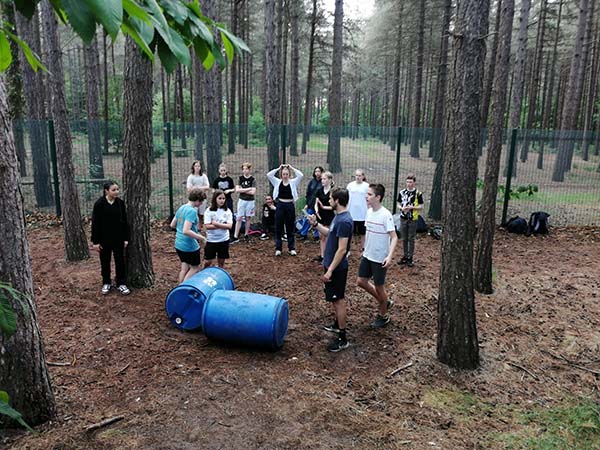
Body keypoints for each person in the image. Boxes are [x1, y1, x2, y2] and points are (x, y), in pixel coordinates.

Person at [308, 187, 353, 352]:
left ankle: (343, 338)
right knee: (335, 299)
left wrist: (330, 270)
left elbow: (342, 249)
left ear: (338, 201)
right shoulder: (338, 218)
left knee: (338, 300)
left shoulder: (344, 221)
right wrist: (316, 225)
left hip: (337, 268)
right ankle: (336, 324)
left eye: (331, 199)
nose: (328, 201)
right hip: (331, 265)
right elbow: (330, 233)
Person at [357, 183, 397, 328]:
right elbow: (368, 233)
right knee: (361, 281)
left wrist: (389, 256)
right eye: (366, 194)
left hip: (380, 258)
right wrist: (364, 248)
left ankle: (383, 315)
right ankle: (384, 301)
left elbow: (394, 237)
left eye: (369, 194)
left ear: (378, 197)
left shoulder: (386, 215)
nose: (366, 197)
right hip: (368, 254)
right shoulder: (368, 212)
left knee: (380, 287)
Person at [91, 181, 131, 295]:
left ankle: (121, 283)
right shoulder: (99, 204)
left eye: (117, 189)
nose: (116, 192)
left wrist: (126, 238)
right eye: (113, 190)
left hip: (118, 238)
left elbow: (124, 221)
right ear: (106, 191)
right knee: (105, 261)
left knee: (120, 261)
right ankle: (106, 282)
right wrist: (95, 241)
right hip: (104, 239)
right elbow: (95, 223)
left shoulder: (120, 203)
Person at [170, 189, 208, 283]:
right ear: (197, 200)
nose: (202, 203)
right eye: (201, 201)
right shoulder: (192, 211)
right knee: (195, 268)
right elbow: (186, 231)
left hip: (178, 243)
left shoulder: (182, 208)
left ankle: (179, 288)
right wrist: (202, 238)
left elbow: (172, 225)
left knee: (184, 267)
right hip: (189, 245)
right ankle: (183, 288)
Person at [267, 163, 304, 256]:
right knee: (278, 226)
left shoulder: (293, 182)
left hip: (290, 205)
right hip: (280, 205)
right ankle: (278, 248)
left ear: (289, 174)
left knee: (290, 227)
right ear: (281, 175)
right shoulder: (277, 182)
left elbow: (301, 175)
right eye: (283, 174)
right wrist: (278, 168)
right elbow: (269, 175)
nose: (285, 176)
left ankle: (291, 248)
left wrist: (291, 167)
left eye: (287, 174)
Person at [396, 173, 424, 267]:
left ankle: (410, 258)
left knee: (411, 238)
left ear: (414, 183)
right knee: (404, 238)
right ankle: (405, 256)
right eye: (407, 182)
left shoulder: (418, 193)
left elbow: (421, 206)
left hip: (413, 218)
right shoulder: (402, 192)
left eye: (411, 182)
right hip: (403, 217)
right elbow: (398, 203)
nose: (409, 184)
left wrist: (413, 207)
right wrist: (401, 208)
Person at [203, 190, 233, 268]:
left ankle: (220, 274)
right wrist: (223, 225)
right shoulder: (209, 211)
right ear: (215, 199)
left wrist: (216, 224)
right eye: (220, 198)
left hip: (224, 240)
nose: (222, 200)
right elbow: (207, 226)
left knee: (221, 262)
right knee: (207, 261)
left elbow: (229, 226)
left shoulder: (227, 211)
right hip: (211, 240)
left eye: (223, 198)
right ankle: (202, 273)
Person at [231, 162, 256, 243]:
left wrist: (243, 190)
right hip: (242, 200)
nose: (245, 171)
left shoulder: (253, 179)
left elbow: (253, 192)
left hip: (250, 201)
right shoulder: (240, 178)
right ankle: (235, 235)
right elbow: (237, 190)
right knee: (239, 217)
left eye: (246, 169)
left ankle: (246, 234)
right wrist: (248, 189)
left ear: (249, 170)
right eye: (243, 169)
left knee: (248, 217)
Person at [314, 171, 335, 262]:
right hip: (321, 215)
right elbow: (316, 202)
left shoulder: (333, 192)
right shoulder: (319, 190)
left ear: (329, 180)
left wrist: (323, 207)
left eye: (324, 179)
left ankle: (329, 255)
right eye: (322, 179)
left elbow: (333, 207)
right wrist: (316, 210)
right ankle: (322, 255)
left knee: (328, 236)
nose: (322, 181)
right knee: (321, 236)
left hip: (329, 216)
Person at [346, 169, 369, 250]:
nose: (358, 177)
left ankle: (363, 248)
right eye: (356, 175)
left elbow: (368, 199)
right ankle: (351, 248)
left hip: (363, 214)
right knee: (351, 232)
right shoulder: (350, 186)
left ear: (363, 176)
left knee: (363, 233)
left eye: (359, 175)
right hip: (351, 213)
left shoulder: (367, 186)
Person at [186, 160, 210, 228]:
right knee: (194, 211)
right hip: (194, 198)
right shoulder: (190, 177)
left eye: (198, 166)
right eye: (195, 166)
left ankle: (200, 226)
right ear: (193, 167)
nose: (197, 167)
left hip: (202, 197)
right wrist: (200, 188)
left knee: (201, 212)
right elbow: (189, 188)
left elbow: (207, 186)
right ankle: (193, 225)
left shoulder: (204, 176)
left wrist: (196, 187)